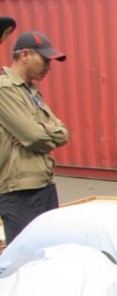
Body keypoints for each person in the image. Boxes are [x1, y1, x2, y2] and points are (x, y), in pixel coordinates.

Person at [0, 31, 68, 244]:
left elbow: (63, 133)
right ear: (25, 55)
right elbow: (34, 136)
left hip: (44, 185)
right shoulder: (4, 89)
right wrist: (42, 132)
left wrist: (41, 132)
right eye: (45, 59)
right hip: (20, 191)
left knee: (50, 251)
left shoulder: (30, 91)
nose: (48, 66)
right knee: (26, 260)